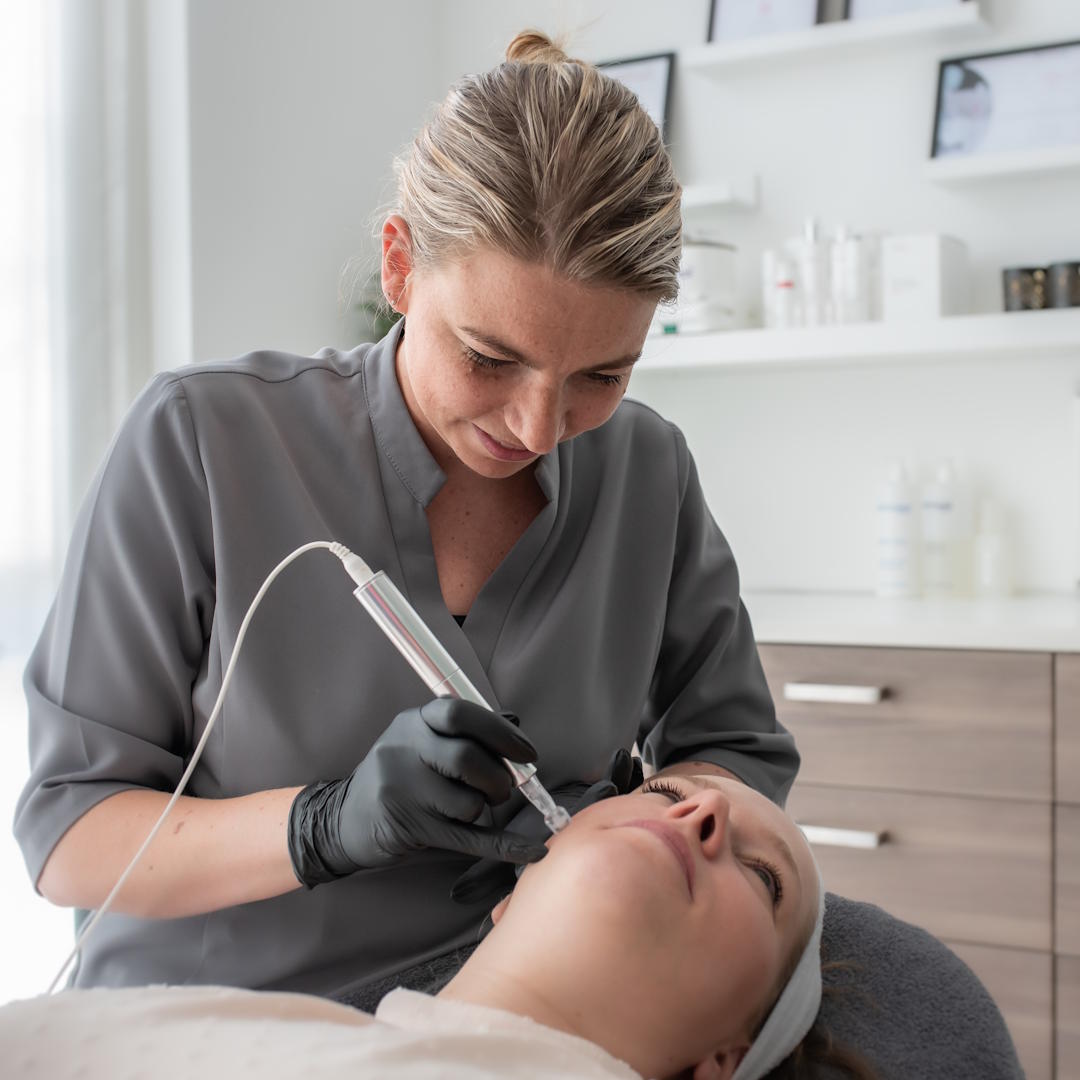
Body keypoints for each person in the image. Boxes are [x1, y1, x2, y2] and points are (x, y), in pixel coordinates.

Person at [14, 29, 798, 996]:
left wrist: (626, 833)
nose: (539, 426)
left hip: (513, 1011)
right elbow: (69, 834)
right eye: (489, 358)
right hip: (217, 1023)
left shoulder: (646, 470)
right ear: (398, 266)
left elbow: (734, 754)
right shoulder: (204, 440)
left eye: (602, 375)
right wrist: (324, 825)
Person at [1, 772, 852, 1080]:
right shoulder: (222, 1025)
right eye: (661, 791)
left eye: (765, 877)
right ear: (509, 895)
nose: (702, 811)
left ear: (722, 1062)